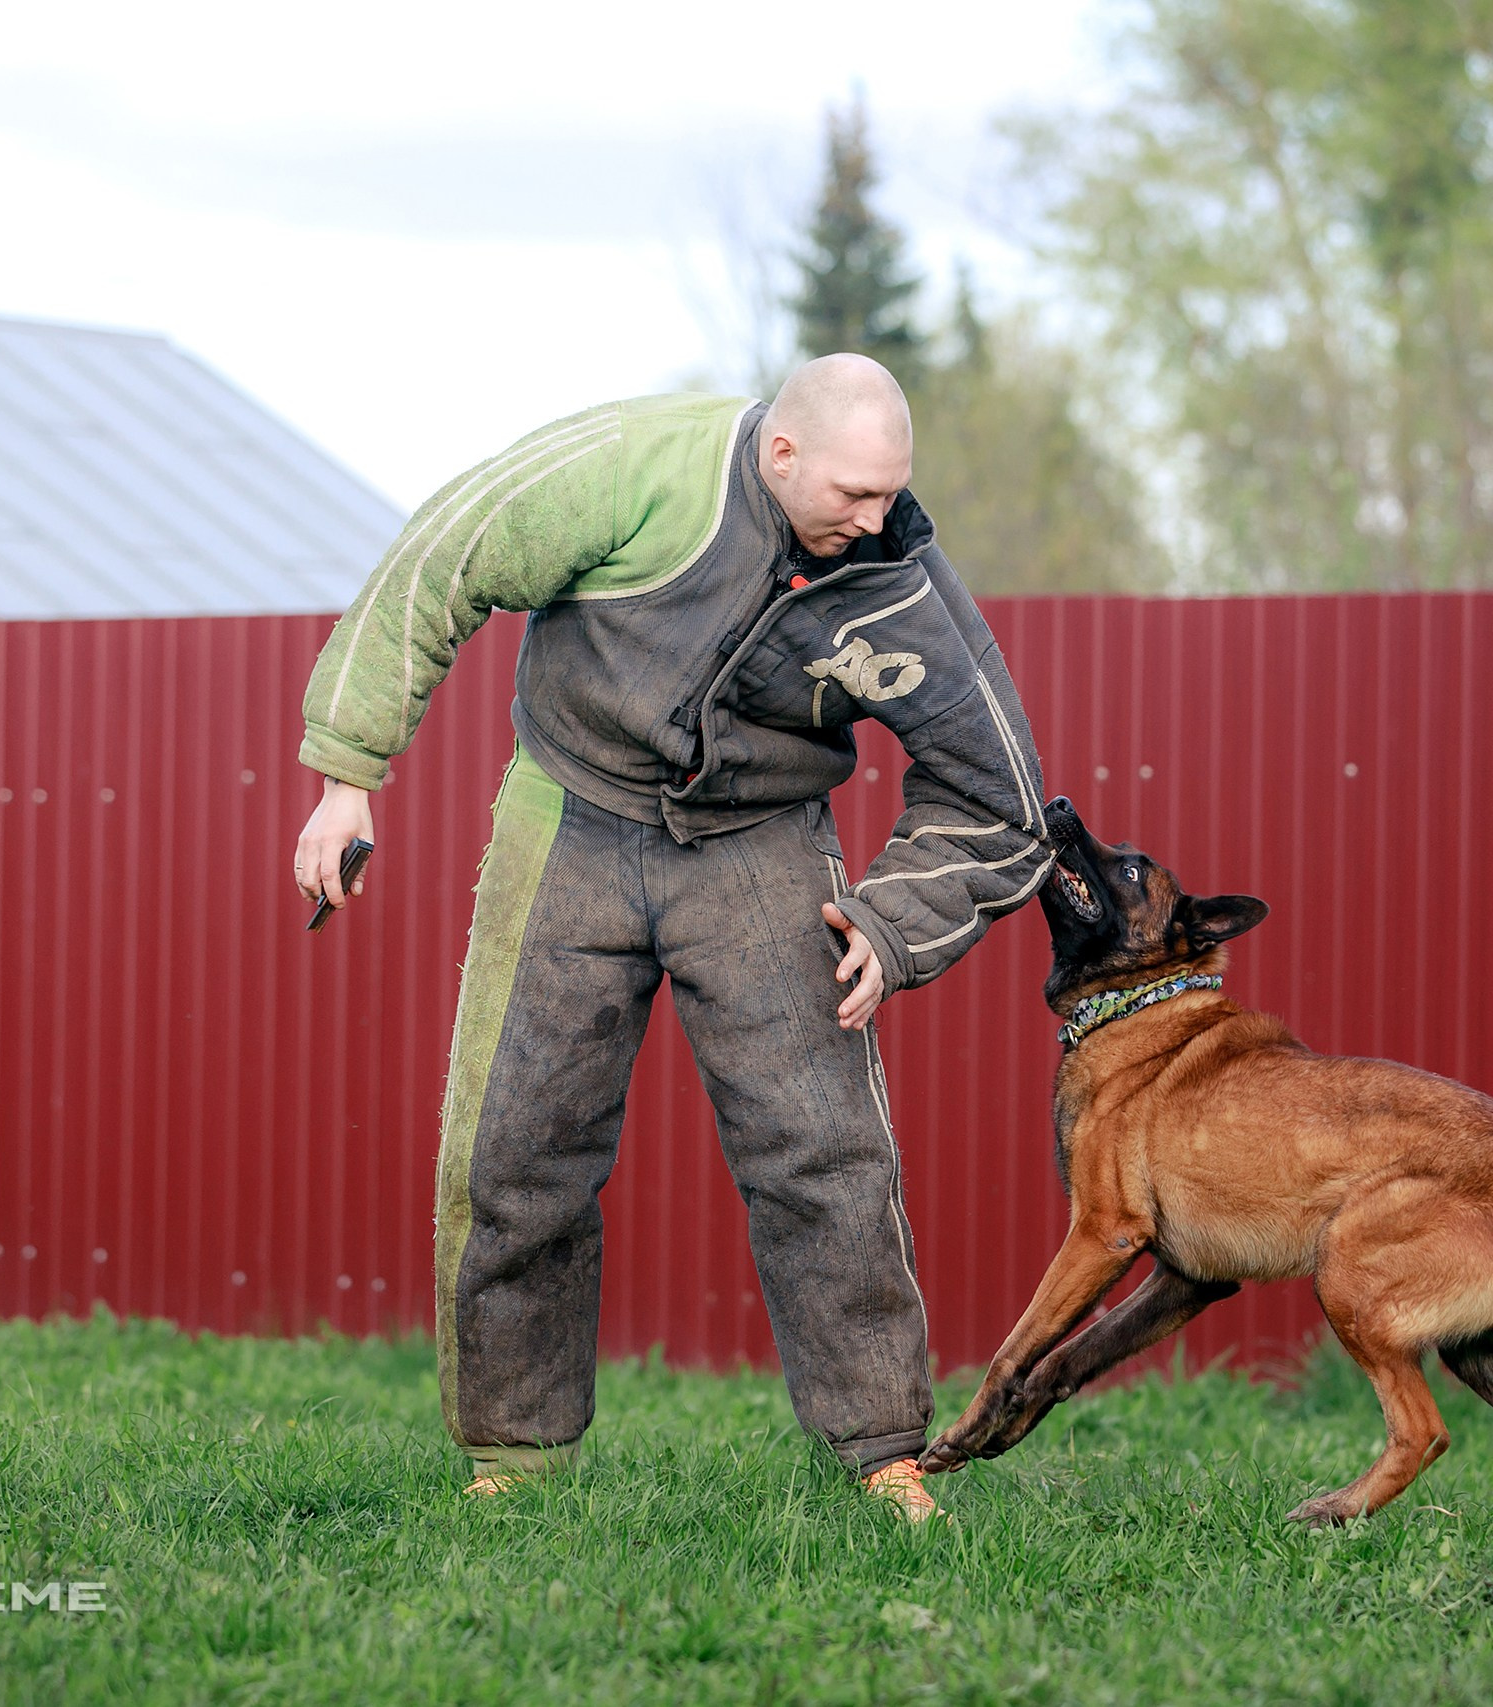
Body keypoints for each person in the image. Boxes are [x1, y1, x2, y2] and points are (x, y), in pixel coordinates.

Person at [291, 354, 1049, 1521]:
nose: (876, 516)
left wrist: (894, 923)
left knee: (823, 1155)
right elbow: (451, 551)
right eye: (853, 492)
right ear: (780, 451)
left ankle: (882, 1455)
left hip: (760, 845)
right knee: (516, 1148)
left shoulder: (898, 582)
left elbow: (1001, 797)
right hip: (569, 817)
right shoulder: (636, 471)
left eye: (891, 491)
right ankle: (515, 1459)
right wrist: (348, 773)